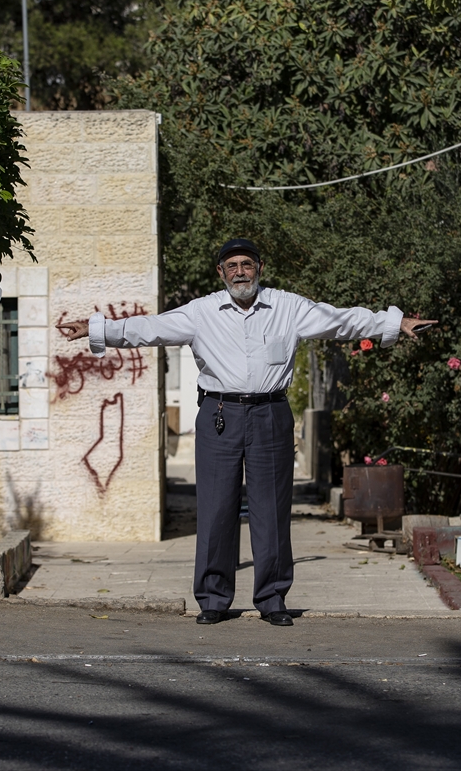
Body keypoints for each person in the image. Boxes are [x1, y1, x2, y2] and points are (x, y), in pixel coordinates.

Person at [59, 238, 435, 626]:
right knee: (216, 508)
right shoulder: (200, 311)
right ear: (220, 273)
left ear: (259, 268)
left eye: (247, 264)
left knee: (271, 510)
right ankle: (213, 599)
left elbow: (341, 321)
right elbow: (149, 328)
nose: (240, 272)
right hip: (219, 414)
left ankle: (272, 599)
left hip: (271, 412)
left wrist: (396, 322)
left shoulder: (288, 307)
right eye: (232, 266)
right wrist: (93, 327)